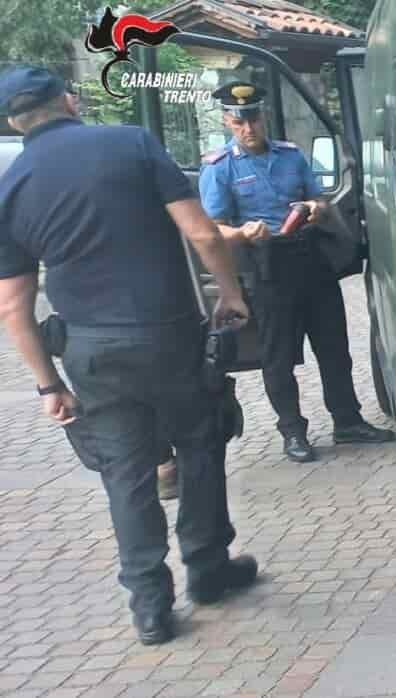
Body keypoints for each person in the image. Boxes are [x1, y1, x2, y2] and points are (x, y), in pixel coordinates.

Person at [0, 65, 259, 645]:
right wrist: (232, 296)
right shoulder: (130, 142)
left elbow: (12, 308)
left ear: (15, 121)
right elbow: (203, 234)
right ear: (68, 100)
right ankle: (209, 569)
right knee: (199, 443)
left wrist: (48, 386)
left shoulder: (9, 188)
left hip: (91, 351)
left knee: (125, 473)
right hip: (168, 335)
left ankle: (149, 605)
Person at [199, 80, 394, 463]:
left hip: (310, 258)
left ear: (263, 115)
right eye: (238, 121)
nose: (247, 127)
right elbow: (212, 230)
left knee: (334, 347)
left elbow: (316, 196)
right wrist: (240, 232)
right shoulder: (219, 168)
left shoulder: (290, 156)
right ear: (227, 120)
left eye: (253, 117)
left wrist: (317, 207)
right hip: (267, 265)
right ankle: (292, 431)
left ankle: (347, 421)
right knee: (279, 356)